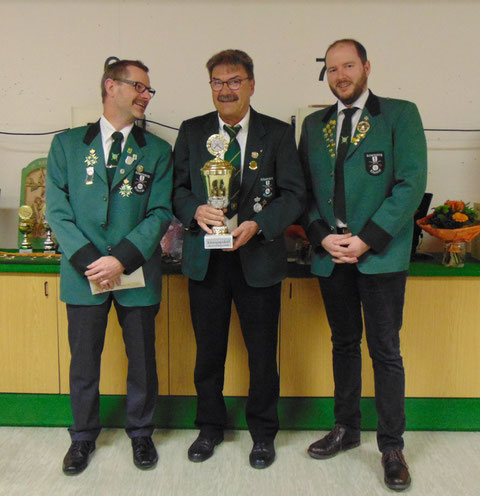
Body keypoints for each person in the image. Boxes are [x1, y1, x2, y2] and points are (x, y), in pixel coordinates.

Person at [299, 39, 427, 491]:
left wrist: (367, 240)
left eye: (348, 66)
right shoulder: (314, 125)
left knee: (386, 351)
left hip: (381, 257)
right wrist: (322, 235)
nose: (340, 76)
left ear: (366, 67)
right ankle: (346, 428)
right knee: (343, 345)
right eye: (332, 69)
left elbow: (411, 184)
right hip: (332, 257)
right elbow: (306, 192)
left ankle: (391, 445)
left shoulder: (400, 114)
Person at [173, 49, 305, 469]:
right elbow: (175, 190)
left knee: (262, 353)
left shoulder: (277, 134)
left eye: (234, 81)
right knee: (208, 352)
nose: (225, 89)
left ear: (251, 84)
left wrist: (259, 224)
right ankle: (209, 427)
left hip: (257, 257)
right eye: (217, 81)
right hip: (205, 260)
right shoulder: (192, 131)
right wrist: (195, 209)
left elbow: (295, 194)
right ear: (209, 86)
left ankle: (263, 433)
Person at [46, 59, 173, 475]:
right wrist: (91, 262)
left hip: (135, 271)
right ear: (110, 87)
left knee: (141, 358)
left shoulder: (157, 150)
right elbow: (58, 211)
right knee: (83, 361)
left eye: (148, 90)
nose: (145, 96)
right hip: (84, 274)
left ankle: (141, 433)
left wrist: (120, 258)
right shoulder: (66, 146)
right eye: (139, 87)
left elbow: (159, 212)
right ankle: (82, 437)